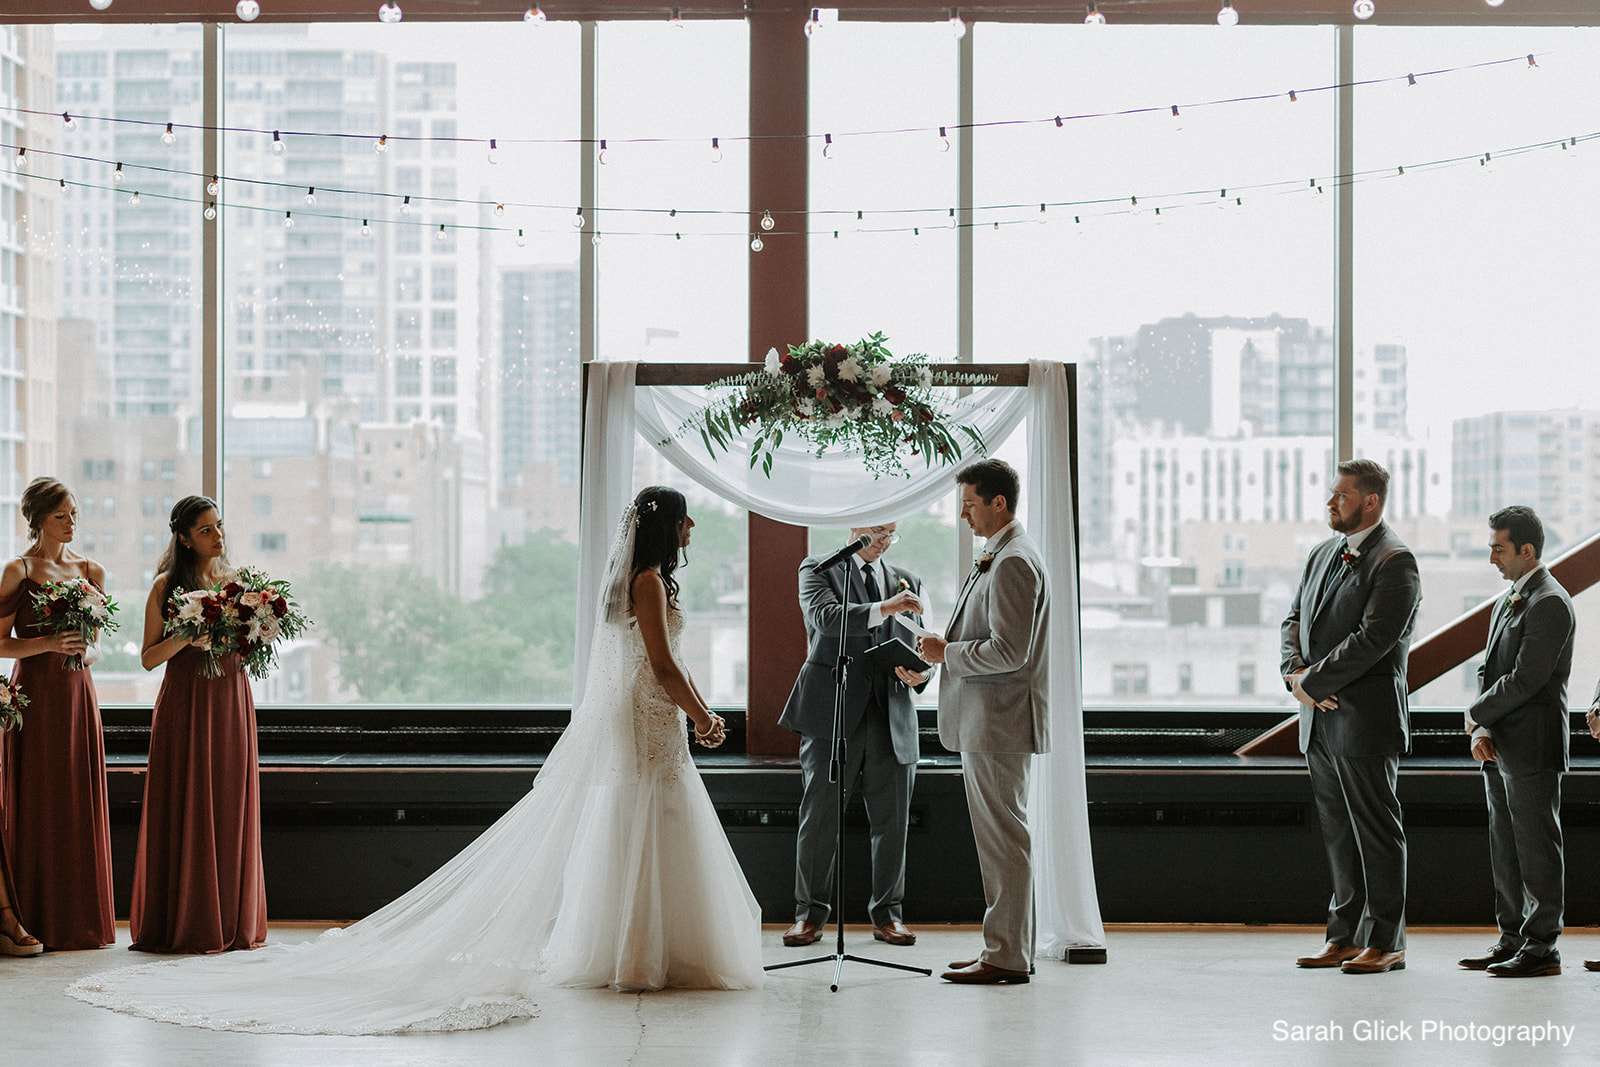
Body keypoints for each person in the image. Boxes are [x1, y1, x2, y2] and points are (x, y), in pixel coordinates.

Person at [68, 485, 762, 1035]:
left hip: (653, 718)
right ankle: (638, 950)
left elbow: (672, 664)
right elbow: (664, 665)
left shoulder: (656, 582)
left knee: (647, 823)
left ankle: (645, 947)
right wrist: (701, 714)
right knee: (643, 821)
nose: (695, 529)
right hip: (648, 718)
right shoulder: (648, 582)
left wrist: (696, 709)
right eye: (689, 519)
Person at [1281, 459, 1420, 976]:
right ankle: (1342, 937)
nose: (1330, 502)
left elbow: (1374, 640)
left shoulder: (1396, 561)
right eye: (1331, 493)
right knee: (1339, 834)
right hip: (1318, 721)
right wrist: (1295, 674)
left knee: (1377, 833)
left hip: (1365, 721)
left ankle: (1388, 943)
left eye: (1342, 495)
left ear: (1371, 502)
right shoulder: (1321, 553)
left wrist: (1314, 682)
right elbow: (1293, 618)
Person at [918, 459, 1050, 986]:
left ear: (999, 502)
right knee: (1004, 839)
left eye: (970, 504)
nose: (963, 514)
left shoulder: (1015, 560)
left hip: (998, 724)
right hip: (989, 722)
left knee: (1004, 840)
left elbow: (1009, 651)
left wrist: (945, 652)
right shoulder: (1004, 554)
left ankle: (1006, 956)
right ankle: (1009, 948)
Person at [128, 495, 268, 954]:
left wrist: (258, 631)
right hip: (186, 705)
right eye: (205, 529)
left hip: (230, 701)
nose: (217, 535)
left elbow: (250, 646)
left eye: (219, 526)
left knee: (229, 801)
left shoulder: (239, 584)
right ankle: (189, 918)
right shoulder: (164, 587)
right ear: (184, 538)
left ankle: (231, 917)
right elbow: (149, 658)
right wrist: (185, 637)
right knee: (188, 800)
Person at [779, 521, 928, 948]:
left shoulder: (907, 580)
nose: (884, 540)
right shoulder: (818, 568)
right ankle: (809, 915)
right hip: (833, 714)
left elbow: (917, 645)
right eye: (878, 530)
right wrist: (887, 607)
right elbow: (827, 620)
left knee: (893, 823)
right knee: (819, 819)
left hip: (892, 714)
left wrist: (920, 675)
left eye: (892, 533)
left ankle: (889, 915)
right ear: (855, 525)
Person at [0, 477, 115, 951]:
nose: (71, 524)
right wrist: (48, 643)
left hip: (75, 693)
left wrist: (85, 653)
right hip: (35, 695)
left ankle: (79, 920)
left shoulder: (92, 570)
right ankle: (33, 916)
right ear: (37, 520)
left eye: (74, 515)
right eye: (61, 516)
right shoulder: (18, 571)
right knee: (39, 797)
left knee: (75, 795)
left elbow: (99, 646)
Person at [1459, 506, 1573, 978]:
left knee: (1536, 849)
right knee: (1505, 848)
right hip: (1501, 743)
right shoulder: (1508, 598)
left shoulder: (1550, 601)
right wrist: (1484, 729)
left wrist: (1474, 714)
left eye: (1499, 549)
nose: (1492, 559)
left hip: (1533, 745)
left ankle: (1542, 947)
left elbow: (1527, 680)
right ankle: (1511, 938)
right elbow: (1491, 670)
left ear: (1527, 551)